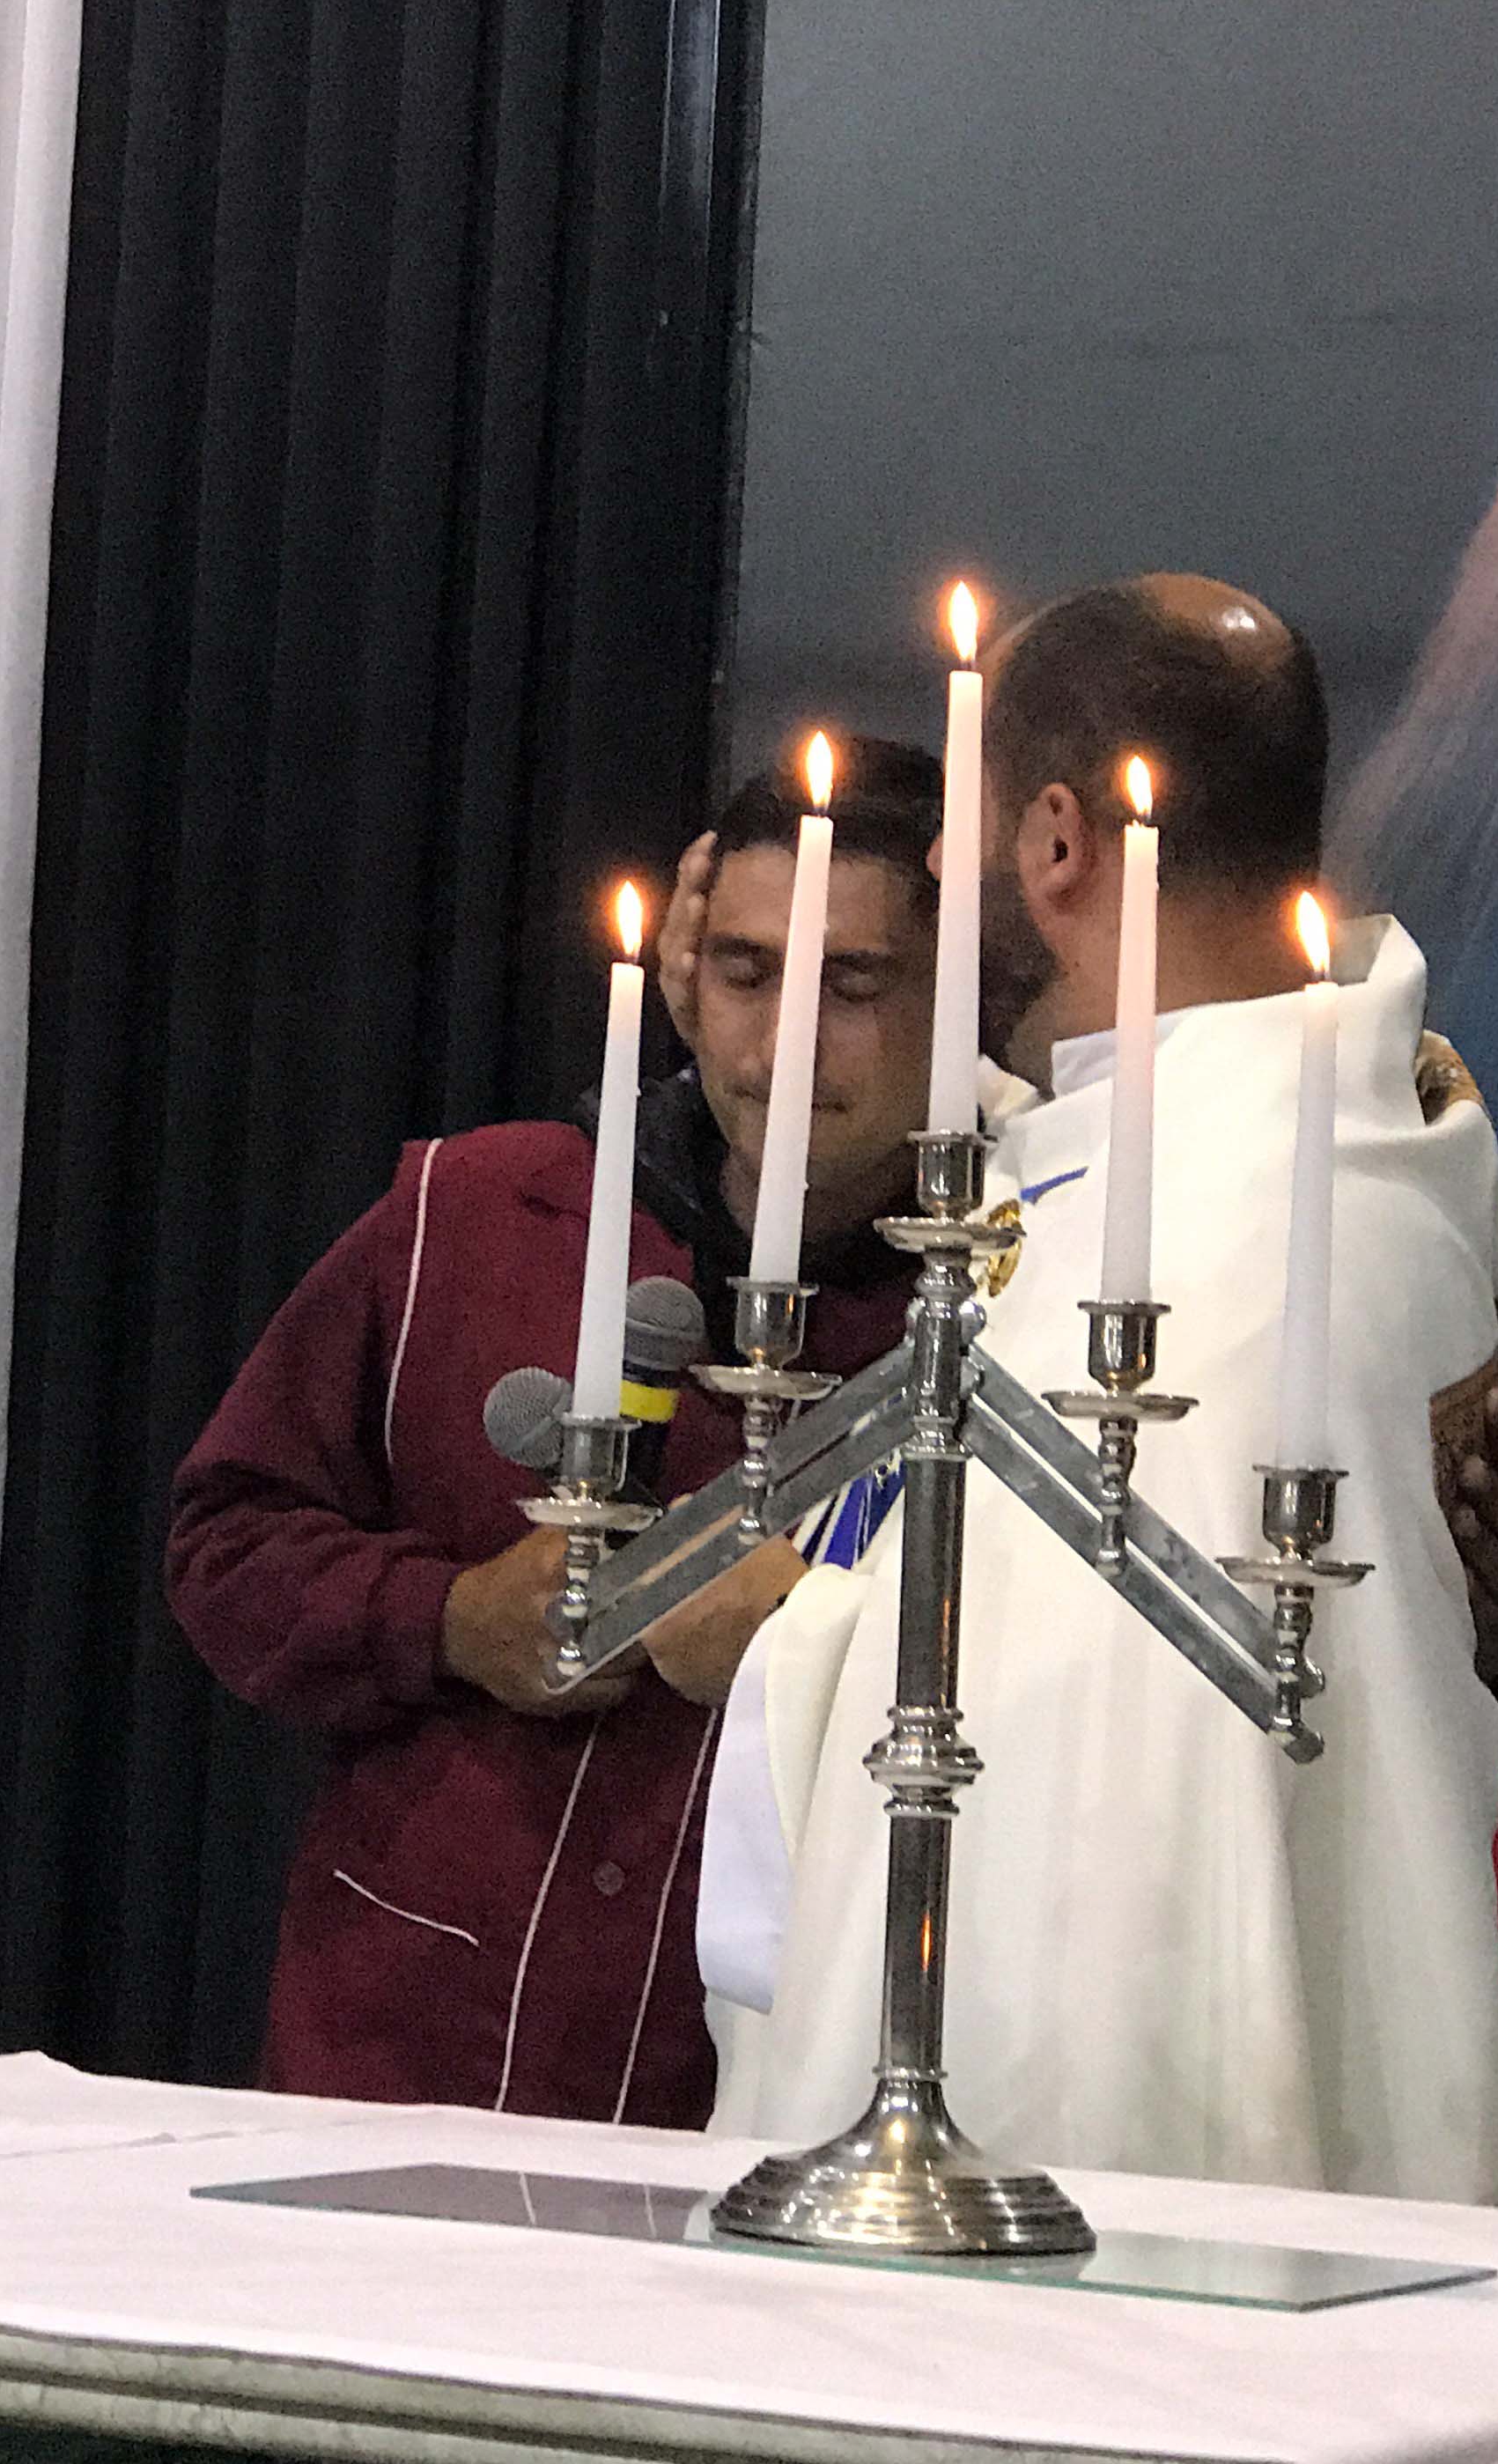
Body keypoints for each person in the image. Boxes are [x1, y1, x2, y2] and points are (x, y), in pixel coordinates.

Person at [704, 575, 1498, 2203]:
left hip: (1101, 2167)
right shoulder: (1345, 1145)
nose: (938, 874)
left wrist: (790, 1632)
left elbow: (1076, 1764)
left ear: (1060, 844)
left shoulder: (1215, 1232)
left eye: (960, 828)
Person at [163, 740, 956, 2125]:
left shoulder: (1005, 1318)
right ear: (683, 978)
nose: (781, 1046)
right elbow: (225, 1546)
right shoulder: (475, 1216)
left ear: (964, 1000)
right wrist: (451, 1619)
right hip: (407, 2059)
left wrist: (812, 1648)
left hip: (755, 2099)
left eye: (855, 986)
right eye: (748, 972)